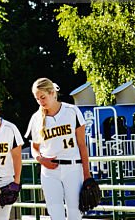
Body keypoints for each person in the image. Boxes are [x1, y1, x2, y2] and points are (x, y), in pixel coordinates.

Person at [26, 78, 90, 220]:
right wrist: (41, 159)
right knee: (56, 214)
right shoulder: (36, 118)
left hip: (73, 167)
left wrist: (87, 174)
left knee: (75, 214)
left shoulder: (72, 111)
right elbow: (34, 147)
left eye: (43, 97)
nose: (41, 101)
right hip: (49, 172)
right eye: (37, 99)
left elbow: (82, 145)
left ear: (52, 92)